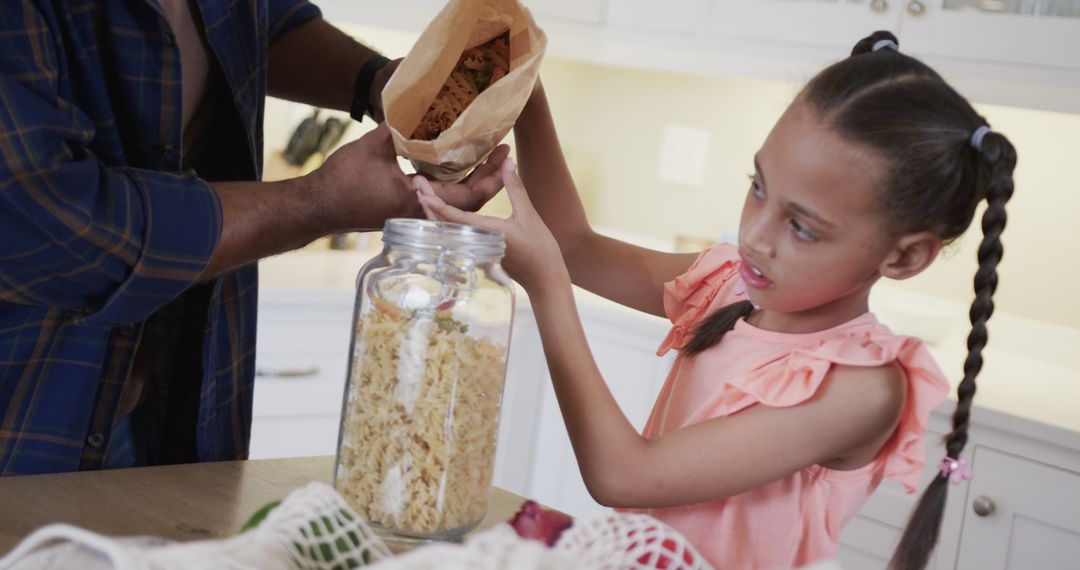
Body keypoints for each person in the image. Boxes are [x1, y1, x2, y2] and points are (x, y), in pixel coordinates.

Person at [415, 30, 1015, 570]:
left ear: (905, 258)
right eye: (758, 188)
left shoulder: (861, 387)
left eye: (802, 227)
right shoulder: (729, 283)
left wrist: (545, 287)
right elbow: (575, 247)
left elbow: (624, 475)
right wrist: (529, 99)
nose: (754, 235)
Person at [0, 0, 507, 475]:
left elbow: (262, 21)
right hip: (29, 422)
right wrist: (318, 204)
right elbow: (50, 220)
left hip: (171, 410)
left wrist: (378, 83)